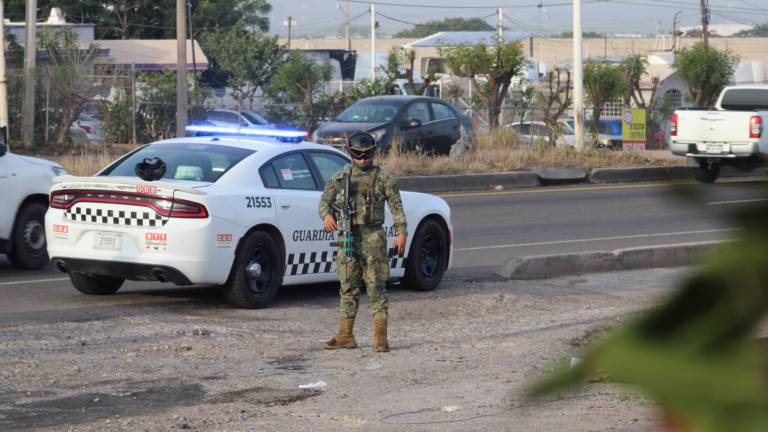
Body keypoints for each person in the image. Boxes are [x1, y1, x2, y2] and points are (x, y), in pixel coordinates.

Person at [318, 131, 407, 352]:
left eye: (366, 155)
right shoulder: (340, 178)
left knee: (376, 287)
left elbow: (396, 207)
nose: (362, 159)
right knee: (348, 286)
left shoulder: (384, 178)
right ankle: (346, 335)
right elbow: (324, 202)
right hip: (347, 237)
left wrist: (401, 232)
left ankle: (380, 339)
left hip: (373, 237)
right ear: (350, 153)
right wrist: (327, 216)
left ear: (373, 153)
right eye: (357, 154)